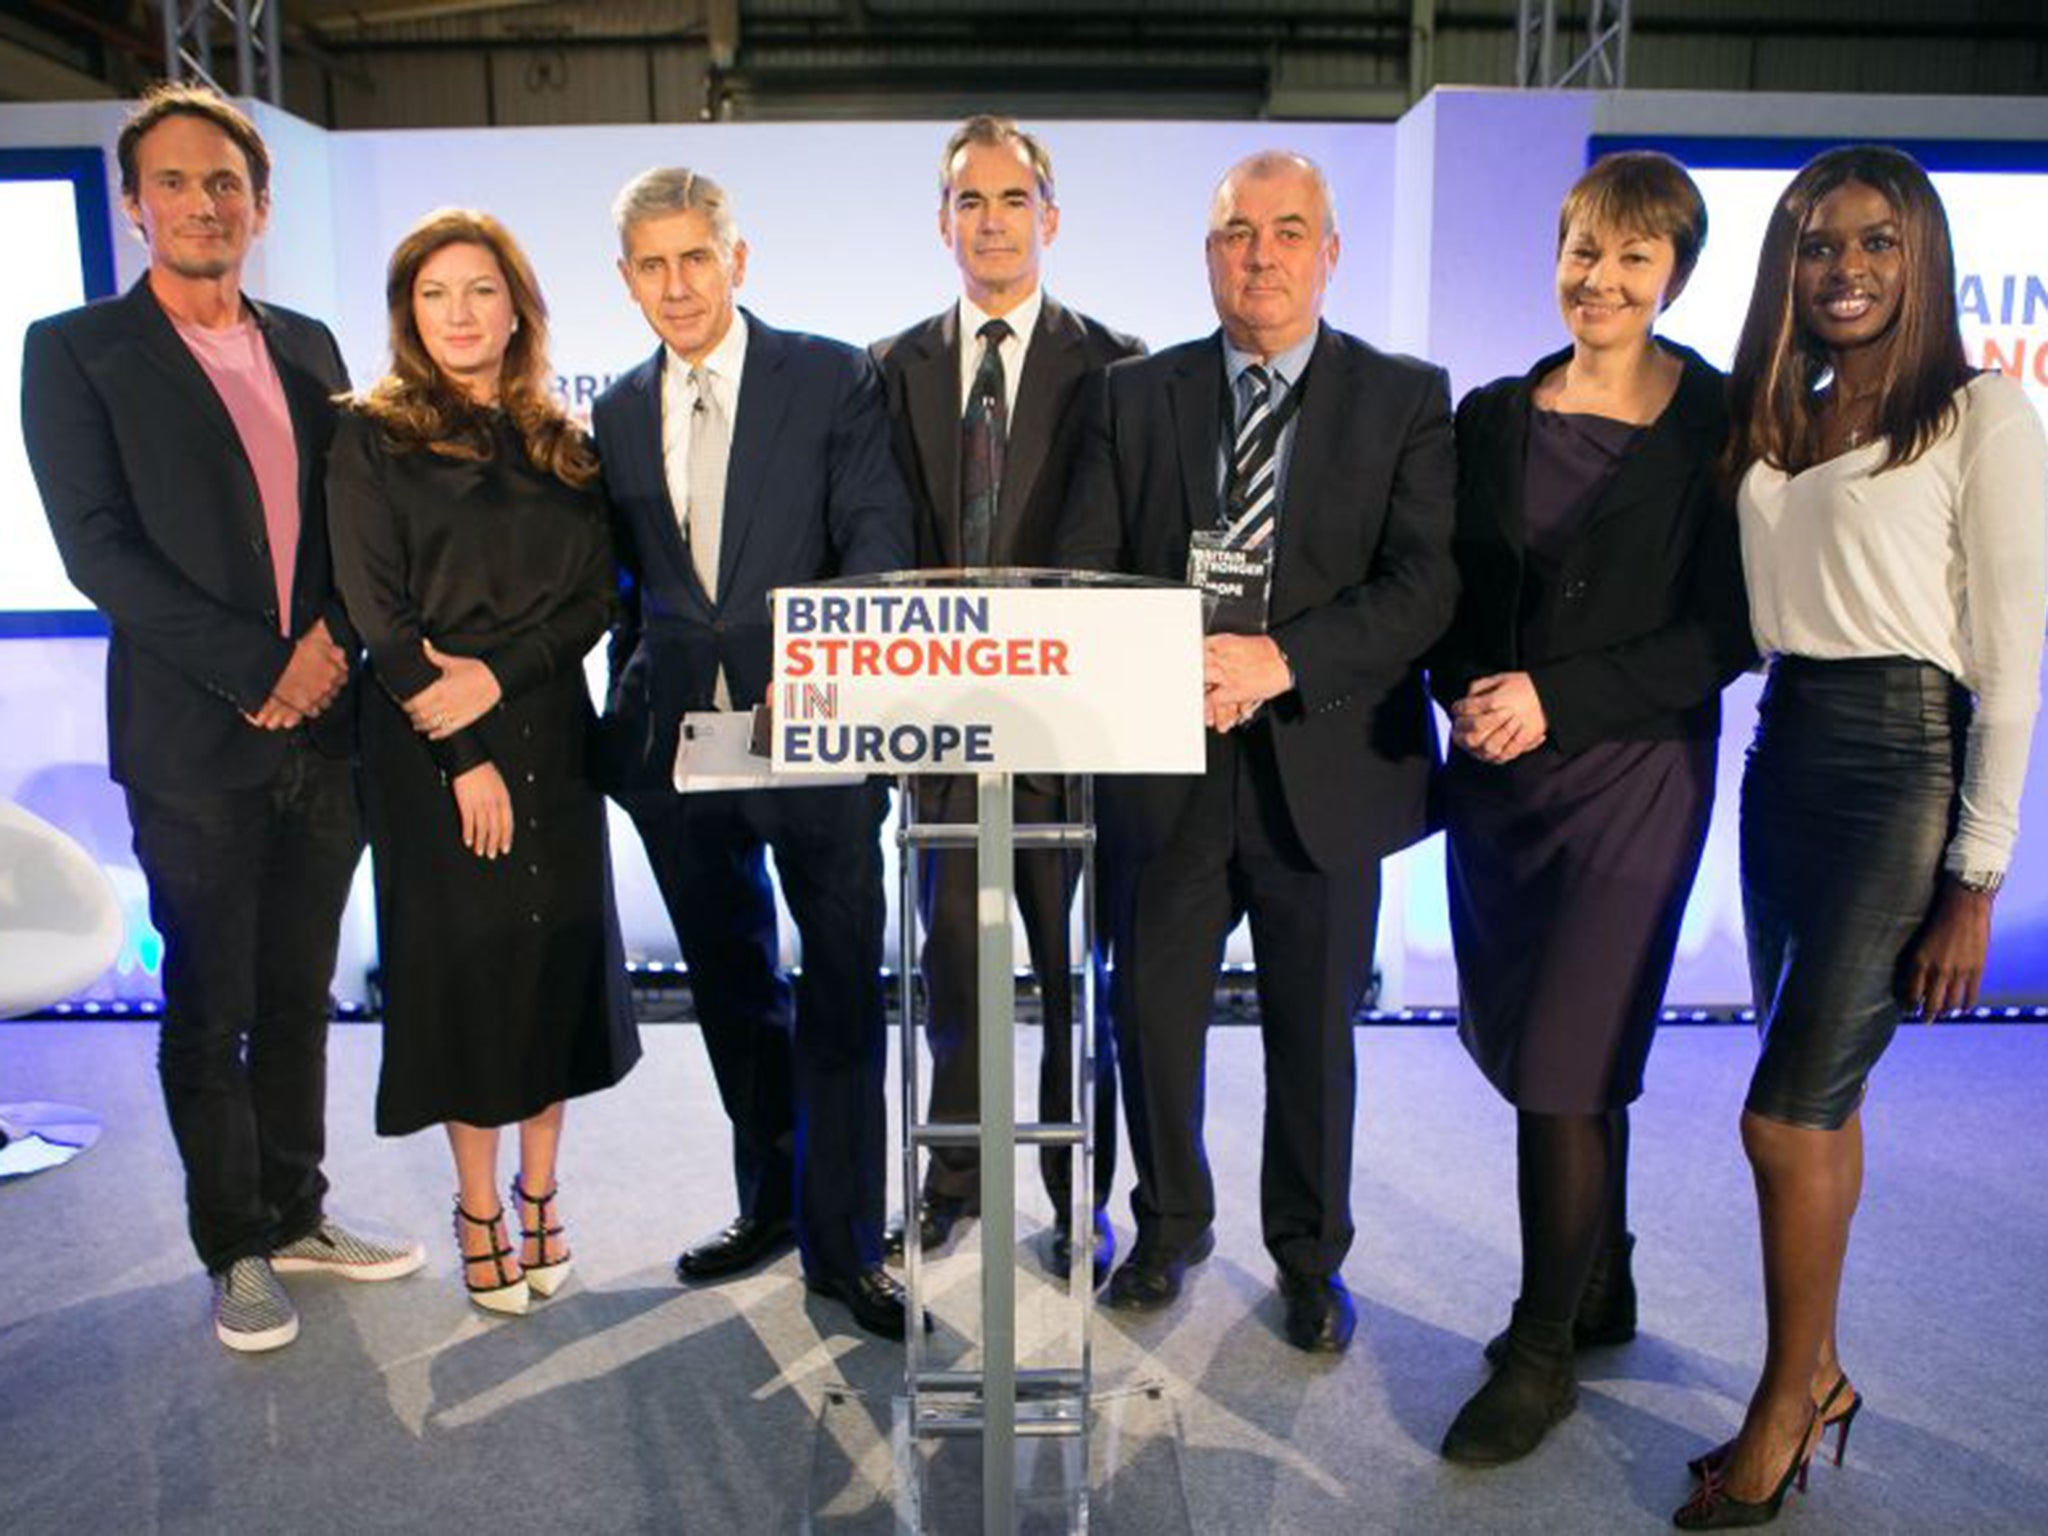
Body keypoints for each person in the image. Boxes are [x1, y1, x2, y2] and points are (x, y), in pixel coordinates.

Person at [19, 82, 422, 1353]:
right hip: (197, 739)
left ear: (260, 203)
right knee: (211, 1004)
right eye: (177, 183)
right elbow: (100, 554)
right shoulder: (74, 349)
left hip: (327, 730)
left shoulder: (307, 342)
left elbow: (357, 525)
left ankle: (298, 1210)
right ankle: (233, 1245)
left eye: (226, 184)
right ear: (136, 206)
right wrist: (261, 667)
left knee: (299, 992)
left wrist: (335, 650)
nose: (204, 204)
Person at [1677, 146, 2047, 1528]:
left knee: (1782, 1113)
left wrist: (1977, 877)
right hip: (1785, 759)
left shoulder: (1983, 413)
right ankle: (1819, 1367)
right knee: (1826, 1096)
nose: (1847, 268)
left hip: (1903, 764)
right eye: (1820, 244)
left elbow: (2012, 667)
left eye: (1878, 242)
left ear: (1924, 255)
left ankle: (1786, 1403)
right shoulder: (1783, 416)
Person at [1062, 149, 1457, 1352]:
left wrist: (1276, 660)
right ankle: (1169, 1225)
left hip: (1322, 772)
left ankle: (1306, 1259)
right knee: (1153, 1022)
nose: (1262, 255)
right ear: (1208, 253)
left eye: (1290, 231)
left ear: (1328, 252)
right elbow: (1091, 566)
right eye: (1239, 231)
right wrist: (1183, 660)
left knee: (1311, 1036)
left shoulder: (1403, 397)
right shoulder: (1136, 394)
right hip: (1165, 769)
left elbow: (1424, 583)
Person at [1427, 152, 1753, 1465]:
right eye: (1582, 251)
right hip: (1503, 784)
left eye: (1631, 257)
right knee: (1551, 1051)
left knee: (1565, 1063)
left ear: (1675, 270)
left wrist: (1558, 698)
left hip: (1635, 775)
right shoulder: (1494, 412)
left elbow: (1728, 632)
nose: (1600, 279)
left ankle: (1540, 1349)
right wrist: (1466, 692)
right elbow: (1449, 588)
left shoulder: (1727, 422)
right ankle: (1602, 1280)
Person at [593, 167, 916, 1339]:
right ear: (625, 280)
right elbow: (630, 584)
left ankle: (844, 1246)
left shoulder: (831, 375)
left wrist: (829, 665)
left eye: (695, 258)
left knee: (838, 993)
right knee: (733, 995)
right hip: (678, 747)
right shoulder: (618, 405)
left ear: (739, 260)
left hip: (815, 735)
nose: (676, 286)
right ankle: (770, 1205)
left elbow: (876, 538)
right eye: (651, 265)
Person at [326, 209, 641, 1317]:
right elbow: (380, 617)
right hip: (431, 754)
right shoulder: (369, 436)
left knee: (553, 971)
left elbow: (596, 600)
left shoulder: (563, 441)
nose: (458, 314)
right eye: (434, 295)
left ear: (517, 308)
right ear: (409, 315)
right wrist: (462, 748)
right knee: (467, 985)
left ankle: (542, 1193)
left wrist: (500, 680)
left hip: (553, 738)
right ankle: (476, 1211)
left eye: (479, 291)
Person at [871, 115, 1144, 1283]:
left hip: (1068, 736)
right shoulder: (891, 368)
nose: (991, 220)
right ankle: (951, 1184)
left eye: (1011, 198)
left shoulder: (1121, 366)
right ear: (942, 222)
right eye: (968, 201)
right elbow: (878, 542)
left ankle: (1077, 1194)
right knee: (954, 980)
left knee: (1074, 981)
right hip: (940, 735)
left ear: (1049, 215)